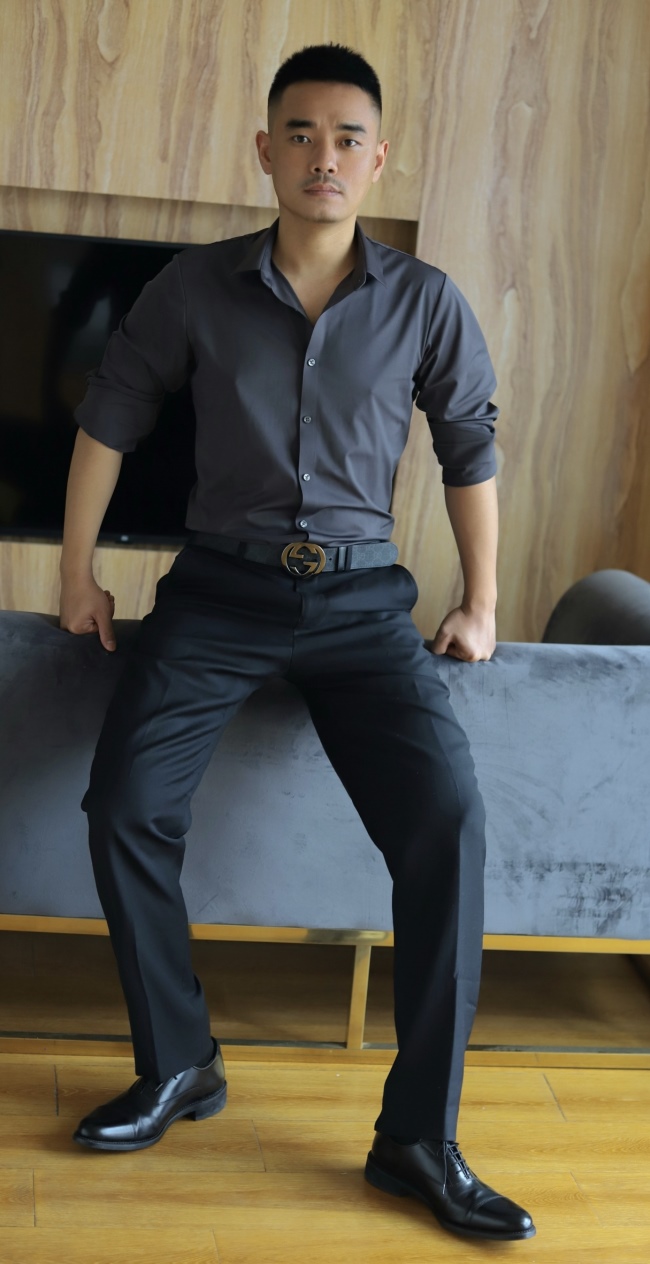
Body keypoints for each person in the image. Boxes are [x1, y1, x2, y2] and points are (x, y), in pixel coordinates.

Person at [58, 42, 535, 1243]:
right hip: (217, 595)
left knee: (446, 823)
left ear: (378, 158)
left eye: (346, 137)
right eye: (301, 134)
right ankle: (179, 1061)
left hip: (363, 606)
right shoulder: (192, 287)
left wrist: (480, 601)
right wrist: (77, 575)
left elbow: (468, 448)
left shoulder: (424, 301)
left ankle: (417, 1137)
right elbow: (108, 420)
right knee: (123, 805)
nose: (324, 155)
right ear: (265, 150)